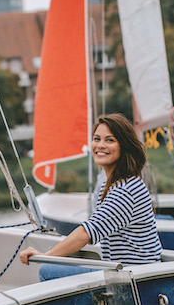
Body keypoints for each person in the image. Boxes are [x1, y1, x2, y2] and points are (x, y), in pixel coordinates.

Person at [19, 113, 162, 279]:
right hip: (122, 272)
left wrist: (44, 255)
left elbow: (86, 233)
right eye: (96, 139)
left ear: (124, 146)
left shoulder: (126, 190)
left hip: (134, 277)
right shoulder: (111, 185)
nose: (100, 145)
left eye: (110, 140)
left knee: (48, 270)